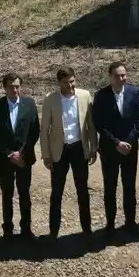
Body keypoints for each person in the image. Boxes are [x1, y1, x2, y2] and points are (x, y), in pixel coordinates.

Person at [40, 67, 98, 241]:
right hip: (60, 150)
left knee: (82, 191)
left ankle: (87, 230)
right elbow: (44, 130)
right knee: (56, 192)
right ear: (59, 83)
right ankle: (53, 232)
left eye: (72, 81)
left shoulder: (85, 95)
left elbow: (91, 125)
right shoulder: (50, 99)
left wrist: (93, 147)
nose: (70, 85)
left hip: (79, 148)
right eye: (66, 82)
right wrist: (46, 155)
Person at [92, 61, 139, 237]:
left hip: (130, 148)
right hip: (109, 149)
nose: (121, 78)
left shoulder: (134, 92)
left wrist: (129, 141)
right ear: (110, 77)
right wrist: (116, 143)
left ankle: (130, 223)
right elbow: (99, 123)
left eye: (123, 75)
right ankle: (110, 224)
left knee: (129, 187)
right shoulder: (101, 95)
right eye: (117, 76)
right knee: (110, 187)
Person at [0, 72, 40, 241]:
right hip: (5, 160)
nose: (15, 90)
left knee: (24, 193)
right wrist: (10, 154)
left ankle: (26, 229)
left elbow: (34, 132)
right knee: (7, 194)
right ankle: (8, 231)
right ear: (4, 88)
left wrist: (21, 154)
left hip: (24, 159)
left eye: (17, 86)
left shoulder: (30, 104)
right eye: (11, 87)